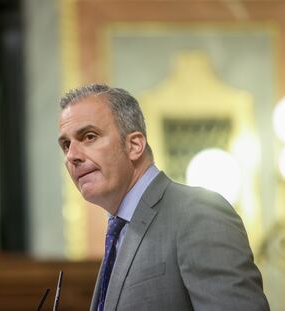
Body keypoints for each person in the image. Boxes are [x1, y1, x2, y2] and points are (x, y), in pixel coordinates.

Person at [58, 84, 269, 311]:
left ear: (134, 145)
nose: (72, 156)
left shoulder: (198, 213)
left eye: (89, 136)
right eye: (66, 145)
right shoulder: (119, 231)